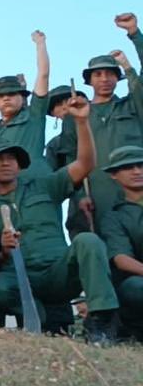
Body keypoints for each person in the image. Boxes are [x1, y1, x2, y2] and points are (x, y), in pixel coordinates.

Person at [0, 95, 120, 345]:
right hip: (20, 280)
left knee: (88, 240)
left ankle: (100, 322)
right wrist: (3, 253)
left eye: (12, 158)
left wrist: (82, 123)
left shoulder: (45, 185)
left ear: (20, 165)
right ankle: (40, 319)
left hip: (58, 273)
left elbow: (85, 164)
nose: (6, 162)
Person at [56, 12, 143, 237]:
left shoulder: (132, 106)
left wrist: (135, 34)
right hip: (94, 194)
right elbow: (69, 159)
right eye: (98, 74)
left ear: (119, 77)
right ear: (89, 80)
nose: (104, 79)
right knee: (98, 252)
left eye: (110, 74)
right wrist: (77, 197)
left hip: (135, 191)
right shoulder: (74, 115)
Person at [0, 30, 51, 177]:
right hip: (1, 192)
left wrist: (40, 44)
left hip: (33, 186)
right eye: (1, 96)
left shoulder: (34, 115)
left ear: (23, 98)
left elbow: (43, 75)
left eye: (12, 94)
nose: (6, 98)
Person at [99, 145, 143, 341]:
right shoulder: (114, 217)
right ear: (114, 175)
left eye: (141, 165)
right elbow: (121, 259)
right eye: (128, 167)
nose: (137, 171)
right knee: (134, 288)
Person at [43, 85, 86, 170]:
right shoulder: (54, 145)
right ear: (52, 112)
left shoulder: (96, 129)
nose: (64, 107)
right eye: (58, 104)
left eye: (67, 101)